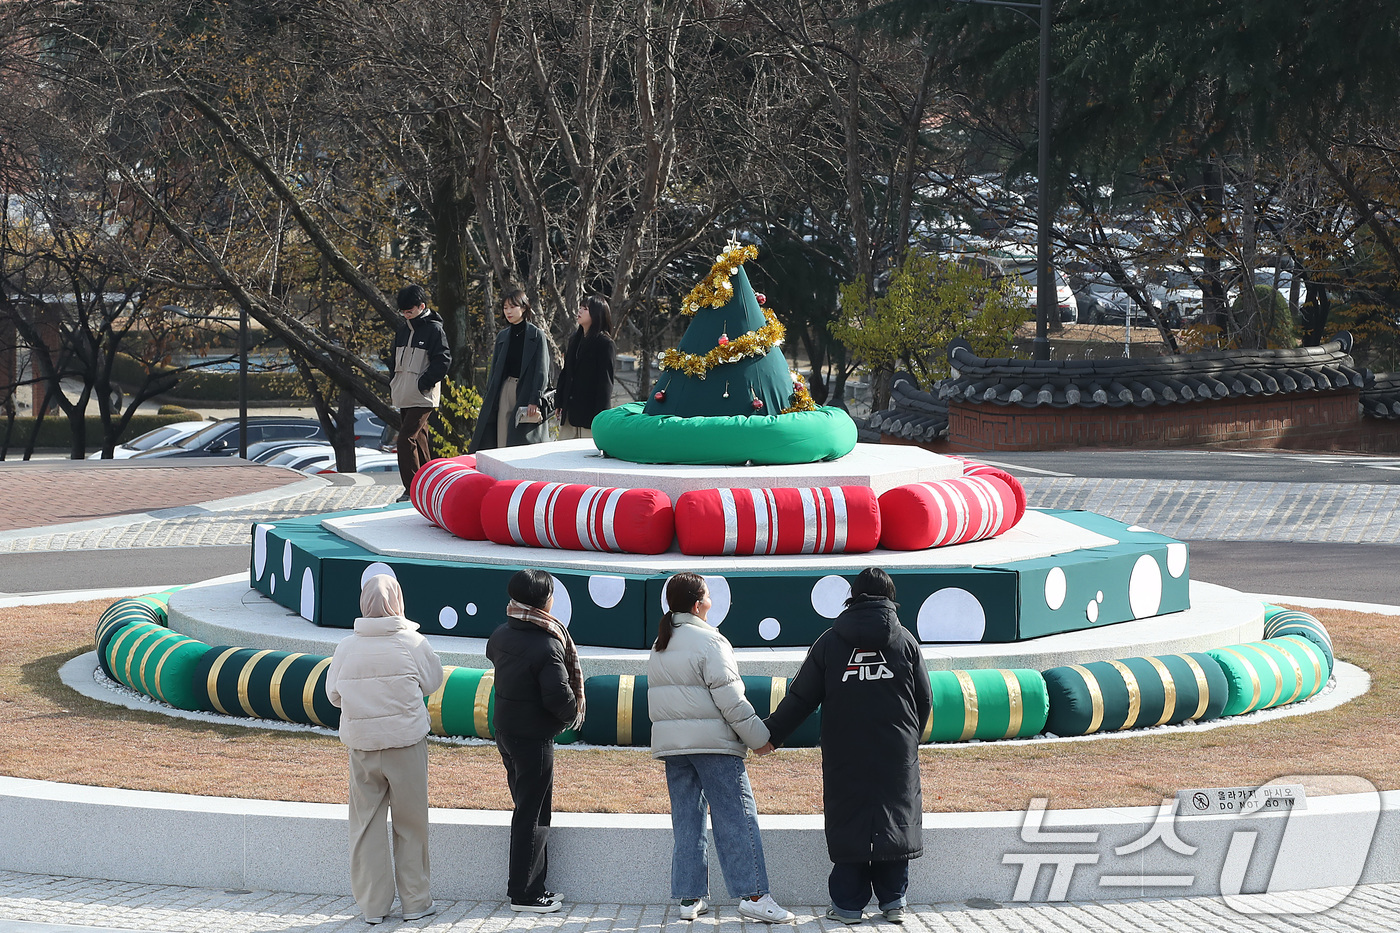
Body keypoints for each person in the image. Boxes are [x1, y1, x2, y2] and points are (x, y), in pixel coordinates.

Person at [764, 568, 931, 926]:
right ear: (890, 598)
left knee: (848, 817)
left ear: (852, 597)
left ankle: (847, 907)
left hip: (844, 750)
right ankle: (894, 902)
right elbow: (925, 700)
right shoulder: (904, 641)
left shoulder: (829, 642)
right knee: (895, 817)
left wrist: (771, 736)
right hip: (896, 751)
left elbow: (801, 698)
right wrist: (909, 740)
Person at [647, 572, 795, 924]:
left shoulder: (660, 644)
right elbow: (732, 701)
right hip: (714, 746)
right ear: (698, 605)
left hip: (674, 748)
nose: (712, 602)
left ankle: (689, 898)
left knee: (687, 820)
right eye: (709, 597)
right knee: (736, 818)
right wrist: (761, 739)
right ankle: (755, 895)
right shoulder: (711, 642)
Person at [324, 574, 446, 925]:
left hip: (362, 747)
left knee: (365, 826)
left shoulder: (346, 647)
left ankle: (373, 907)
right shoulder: (412, 642)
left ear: (363, 602)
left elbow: (334, 695)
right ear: (398, 601)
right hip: (406, 744)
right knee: (411, 824)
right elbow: (433, 681)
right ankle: (416, 902)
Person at [485, 569, 585, 913]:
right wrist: (571, 714)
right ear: (546, 601)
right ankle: (524, 894)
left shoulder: (501, 633)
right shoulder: (546, 643)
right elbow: (559, 697)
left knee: (526, 808)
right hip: (533, 738)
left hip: (505, 731)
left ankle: (534, 886)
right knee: (533, 815)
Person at [388, 285, 451, 500]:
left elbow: (443, 361)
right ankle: (430, 485)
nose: (406, 315)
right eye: (403, 312)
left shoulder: (434, 330)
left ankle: (412, 489)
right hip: (404, 393)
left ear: (421, 307)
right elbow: (394, 361)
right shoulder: (402, 328)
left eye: (410, 311)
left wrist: (423, 383)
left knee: (405, 439)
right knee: (420, 439)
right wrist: (394, 382)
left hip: (423, 395)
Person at [470, 286, 550, 452]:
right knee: (502, 434)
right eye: (505, 308)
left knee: (523, 438)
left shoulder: (536, 335)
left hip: (526, 391)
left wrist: (535, 398)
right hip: (505, 388)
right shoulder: (503, 336)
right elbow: (494, 372)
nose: (508, 311)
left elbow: (541, 369)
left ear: (524, 307)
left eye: (513, 307)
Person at [554, 293, 617, 439]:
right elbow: (566, 372)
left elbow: (605, 383)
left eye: (586, 309)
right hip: (569, 413)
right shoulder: (574, 339)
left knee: (586, 458)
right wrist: (559, 401)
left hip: (590, 416)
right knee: (563, 457)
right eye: (580, 307)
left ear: (597, 314)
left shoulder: (605, 344)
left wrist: (601, 418)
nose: (580, 311)